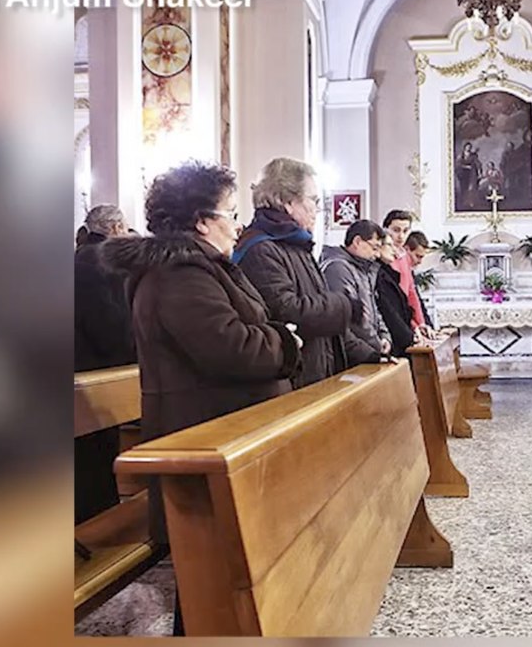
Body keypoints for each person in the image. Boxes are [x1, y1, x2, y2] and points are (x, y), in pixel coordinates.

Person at [102, 160, 302, 635]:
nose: (237, 224)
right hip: (201, 444)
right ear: (200, 220)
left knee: (218, 578)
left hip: (218, 434)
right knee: (207, 578)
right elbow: (231, 348)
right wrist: (287, 342)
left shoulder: (200, 267)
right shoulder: (180, 273)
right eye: (230, 213)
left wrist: (272, 335)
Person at [232, 157, 356, 388]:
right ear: (286, 201)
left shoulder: (295, 245)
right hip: (293, 381)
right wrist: (343, 306)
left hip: (314, 375)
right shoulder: (261, 249)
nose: (317, 210)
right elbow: (287, 311)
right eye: (313, 200)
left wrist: (368, 353)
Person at [73, 204, 135, 524]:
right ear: (114, 229)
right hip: (98, 368)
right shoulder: (102, 260)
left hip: (81, 366)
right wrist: (133, 355)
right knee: (96, 455)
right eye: (125, 229)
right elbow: (110, 321)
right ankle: (100, 525)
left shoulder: (80, 256)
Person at [321, 220, 392, 365]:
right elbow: (353, 318)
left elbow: (373, 307)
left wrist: (384, 336)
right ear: (358, 241)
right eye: (374, 248)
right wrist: (376, 344)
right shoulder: (338, 268)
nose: (377, 254)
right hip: (351, 352)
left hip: (368, 347)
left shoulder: (364, 269)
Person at [382, 210, 430, 335]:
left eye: (405, 231)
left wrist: (421, 324)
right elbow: (391, 304)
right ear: (385, 229)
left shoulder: (403, 256)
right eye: (396, 230)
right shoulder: (383, 258)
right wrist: (413, 327)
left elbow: (411, 294)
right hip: (392, 324)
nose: (401, 236)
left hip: (406, 321)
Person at [374, 240, 418, 357]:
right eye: (389, 245)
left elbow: (408, 301)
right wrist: (409, 337)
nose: (394, 250)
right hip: (393, 343)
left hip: (399, 339)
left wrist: (416, 327)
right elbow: (388, 310)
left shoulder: (389, 273)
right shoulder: (378, 275)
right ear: (378, 246)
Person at [405, 230, 436, 331]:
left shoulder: (410, 271)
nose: (419, 262)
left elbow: (417, 301)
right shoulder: (399, 270)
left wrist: (428, 326)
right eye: (418, 256)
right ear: (407, 249)